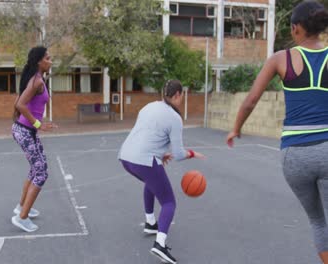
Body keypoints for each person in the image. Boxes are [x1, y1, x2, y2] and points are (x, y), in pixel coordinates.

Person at [226, 1, 328, 262]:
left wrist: (235, 129)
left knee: (317, 221)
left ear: (295, 29)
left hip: (294, 155)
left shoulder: (280, 59)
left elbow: (250, 100)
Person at [118, 80, 205, 264]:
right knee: (169, 202)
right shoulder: (174, 118)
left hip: (125, 157)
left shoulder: (149, 106)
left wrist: (159, 154)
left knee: (151, 182)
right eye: (182, 95)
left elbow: (146, 136)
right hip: (143, 160)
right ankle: (160, 244)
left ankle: (151, 223)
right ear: (178, 95)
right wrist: (192, 153)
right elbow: (179, 154)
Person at [11, 46, 56, 232]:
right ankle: (22, 218)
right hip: (24, 131)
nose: (51, 60)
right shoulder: (36, 81)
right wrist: (38, 124)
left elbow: (21, 104)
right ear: (39, 61)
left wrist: (36, 123)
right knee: (41, 173)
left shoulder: (39, 79)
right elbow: (20, 104)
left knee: (37, 168)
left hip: (26, 130)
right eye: (48, 58)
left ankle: (21, 207)